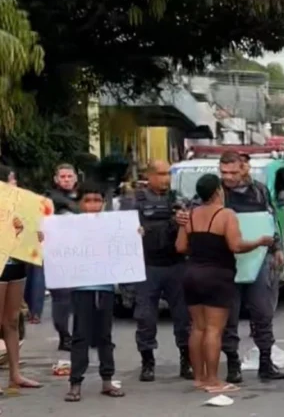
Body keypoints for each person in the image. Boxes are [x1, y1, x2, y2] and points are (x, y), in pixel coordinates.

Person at [178, 151, 284, 383]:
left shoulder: (259, 190)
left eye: (233, 172)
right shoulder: (211, 194)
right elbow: (190, 220)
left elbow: (271, 220)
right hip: (224, 263)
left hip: (258, 259)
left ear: (244, 168)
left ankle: (266, 361)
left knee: (262, 312)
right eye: (223, 172)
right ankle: (233, 364)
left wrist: (277, 248)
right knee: (228, 317)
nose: (228, 177)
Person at [120, 160, 193, 382]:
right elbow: (125, 231)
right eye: (161, 174)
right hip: (147, 266)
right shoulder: (133, 201)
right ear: (149, 176)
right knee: (145, 317)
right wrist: (169, 223)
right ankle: (147, 362)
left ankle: (186, 359)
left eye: (168, 174)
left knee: (183, 317)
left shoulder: (178, 199)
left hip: (176, 264)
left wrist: (184, 220)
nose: (166, 178)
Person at [64, 182, 124, 402]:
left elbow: (124, 245)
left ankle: (107, 380)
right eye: (87, 201)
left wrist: (134, 234)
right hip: (82, 287)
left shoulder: (112, 225)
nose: (92, 205)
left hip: (106, 287)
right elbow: (59, 249)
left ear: (104, 203)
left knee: (105, 336)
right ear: (79, 203)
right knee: (81, 335)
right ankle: (75, 383)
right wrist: (48, 239)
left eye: (97, 200)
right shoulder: (69, 226)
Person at [0, 165, 41, 393]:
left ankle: (15, 374)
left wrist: (36, 235)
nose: (15, 183)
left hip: (17, 266)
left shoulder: (22, 206)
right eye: (11, 179)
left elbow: (30, 235)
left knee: (12, 320)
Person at [47, 163, 79, 351]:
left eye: (69, 176)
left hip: (81, 254)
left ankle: (81, 335)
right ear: (56, 179)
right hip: (57, 254)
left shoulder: (85, 197)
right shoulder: (48, 199)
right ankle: (64, 336)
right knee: (61, 299)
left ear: (75, 178)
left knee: (83, 298)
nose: (66, 180)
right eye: (62, 177)